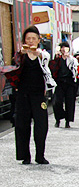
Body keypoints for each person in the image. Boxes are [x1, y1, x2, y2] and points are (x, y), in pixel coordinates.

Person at [4, 25, 56, 164]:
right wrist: (21, 54)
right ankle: (25, 156)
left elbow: (46, 59)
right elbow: (13, 67)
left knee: (41, 125)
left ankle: (40, 155)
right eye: (28, 39)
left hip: (38, 95)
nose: (31, 41)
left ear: (39, 40)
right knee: (21, 125)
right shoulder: (20, 56)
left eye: (34, 38)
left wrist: (36, 53)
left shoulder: (42, 55)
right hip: (22, 94)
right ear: (24, 40)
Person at [50, 41, 78, 128]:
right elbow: (52, 68)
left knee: (70, 103)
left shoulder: (72, 59)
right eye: (62, 48)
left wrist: (68, 58)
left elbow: (75, 69)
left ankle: (68, 121)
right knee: (57, 102)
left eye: (65, 48)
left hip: (69, 83)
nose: (63, 49)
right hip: (59, 83)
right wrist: (56, 57)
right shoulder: (57, 60)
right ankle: (58, 119)